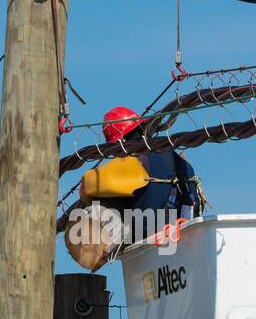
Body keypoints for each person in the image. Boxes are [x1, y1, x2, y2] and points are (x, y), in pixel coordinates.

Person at [66, 106, 204, 271]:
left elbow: (89, 184)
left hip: (146, 243)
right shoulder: (180, 163)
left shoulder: (133, 161)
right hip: (182, 240)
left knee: (106, 200)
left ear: (119, 142)